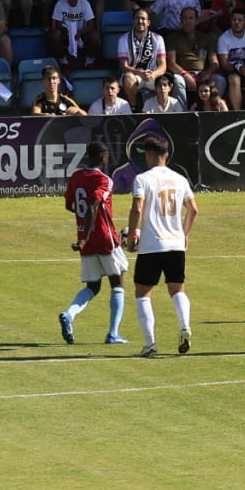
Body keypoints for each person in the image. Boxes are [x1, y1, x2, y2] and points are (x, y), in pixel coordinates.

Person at [125, 135, 197, 358]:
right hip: (176, 244)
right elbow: (193, 209)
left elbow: (137, 208)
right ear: (167, 154)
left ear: (149, 155)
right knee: (177, 289)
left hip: (151, 245)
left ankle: (150, 344)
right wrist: (184, 234)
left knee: (143, 293)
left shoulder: (143, 179)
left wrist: (131, 235)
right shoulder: (180, 179)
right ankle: (185, 326)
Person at [59, 141, 128, 346]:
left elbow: (69, 204)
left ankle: (69, 314)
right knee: (117, 283)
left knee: (93, 286)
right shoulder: (104, 180)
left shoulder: (76, 176)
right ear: (102, 158)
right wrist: (86, 237)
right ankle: (113, 333)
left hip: (85, 240)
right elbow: (93, 206)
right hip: (104, 239)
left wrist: (83, 234)